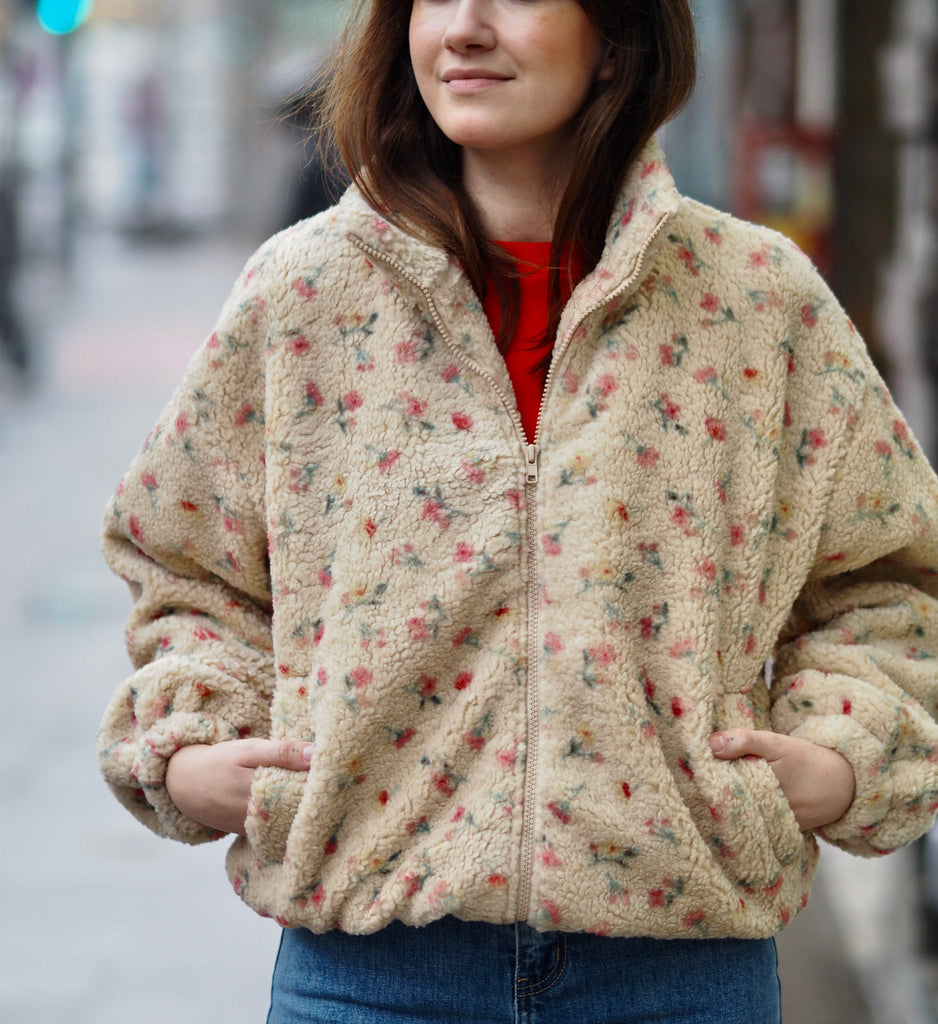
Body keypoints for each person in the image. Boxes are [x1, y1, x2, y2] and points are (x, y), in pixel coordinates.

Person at [96, 1, 938, 1021]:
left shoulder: (755, 301)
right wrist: (190, 743)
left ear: (616, 35)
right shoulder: (303, 296)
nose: (463, 27)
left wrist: (841, 756)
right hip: (370, 975)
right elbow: (183, 559)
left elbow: (889, 572)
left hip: (679, 976)